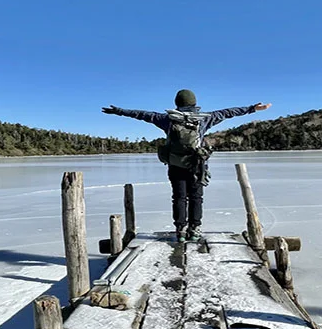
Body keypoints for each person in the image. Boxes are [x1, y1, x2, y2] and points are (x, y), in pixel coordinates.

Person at [102, 89, 271, 242]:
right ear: (194, 103)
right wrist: (252, 108)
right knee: (196, 197)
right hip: (196, 164)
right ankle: (195, 229)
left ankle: (180, 230)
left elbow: (142, 114)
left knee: (179, 197)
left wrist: (119, 111)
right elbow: (228, 113)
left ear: (177, 103)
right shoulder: (205, 118)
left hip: (175, 165)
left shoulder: (167, 119)